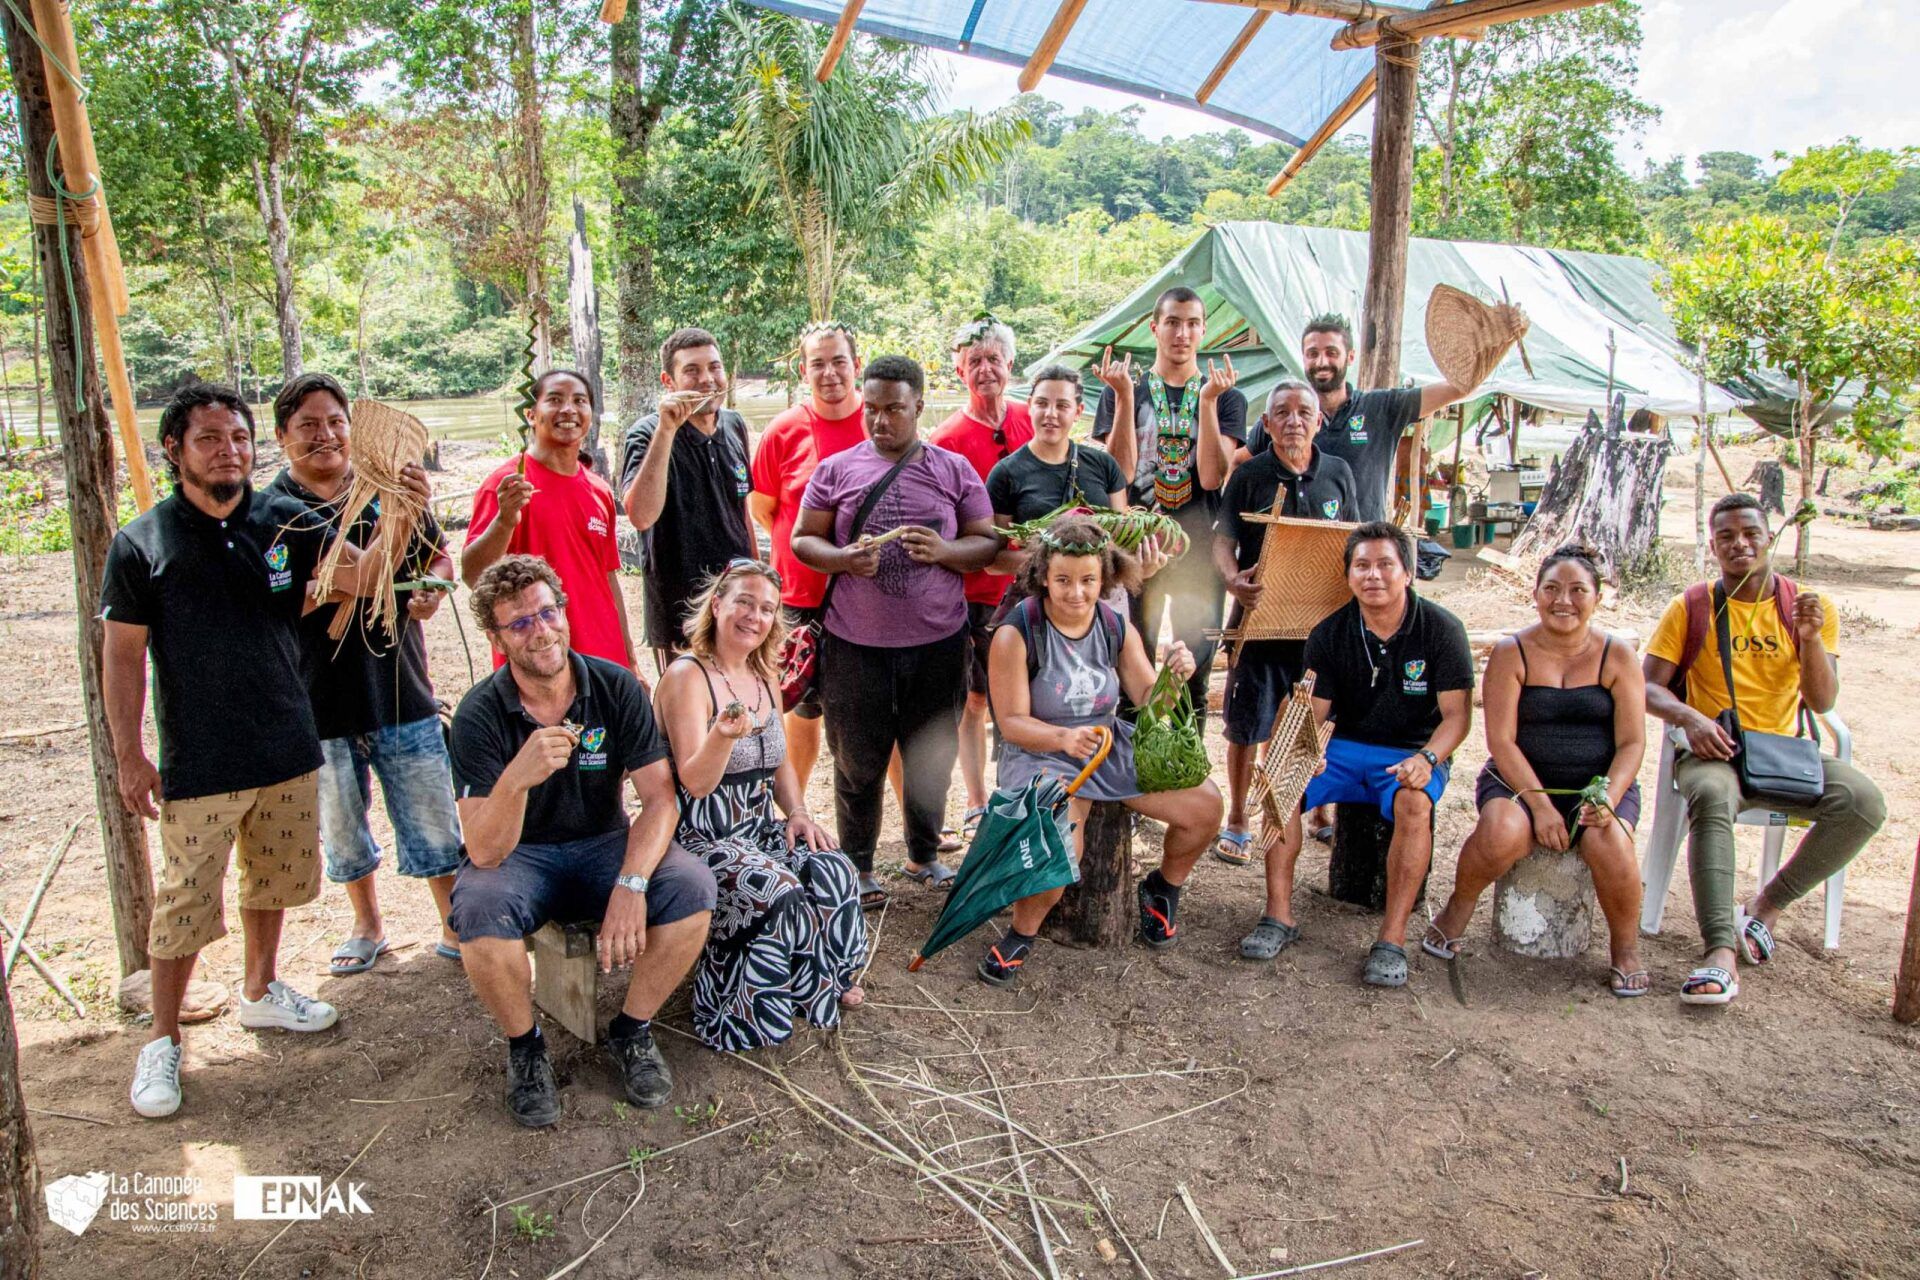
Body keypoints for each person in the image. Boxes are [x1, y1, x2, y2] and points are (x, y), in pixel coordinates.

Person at [103, 383, 424, 1119]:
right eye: (211, 439)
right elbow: (122, 657)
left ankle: (260, 990)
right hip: (200, 756)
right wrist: (130, 754)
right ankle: (162, 1041)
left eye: (239, 438)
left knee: (274, 880)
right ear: (175, 451)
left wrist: (401, 512)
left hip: (287, 740)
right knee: (184, 902)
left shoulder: (283, 522)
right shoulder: (144, 543)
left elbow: (351, 582)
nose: (230, 451)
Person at [447, 556, 716, 1127]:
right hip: (522, 856)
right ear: (496, 637)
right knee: (476, 907)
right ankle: (526, 1047)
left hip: (602, 844)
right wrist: (517, 776)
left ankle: (632, 1029)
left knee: (692, 886)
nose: (540, 630)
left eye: (548, 612)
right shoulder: (479, 713)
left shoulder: (614, 686)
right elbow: (485, 851)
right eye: (519, 623)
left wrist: (631, 882)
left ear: (565, 613)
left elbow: (661, 800)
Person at [1642, 493, 1885, 1006]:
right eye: (1726, 536)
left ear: (1768, 537)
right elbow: (1646, 687)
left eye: (1750, 533)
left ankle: (1768, 904)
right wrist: (1691, 718)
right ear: (1712, 546)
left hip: (1781, 756)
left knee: (1864, 803)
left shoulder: (1805, 605)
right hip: (1715, 752)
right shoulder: (1692, 606)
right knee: (1709, 794)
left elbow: (1822, 701)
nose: (1740, 545)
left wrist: (1812, 639)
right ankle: (1720, 952)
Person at [264, 373, 464, 975]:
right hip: (317, 696)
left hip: (402, 685)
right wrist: (391, 529)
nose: (325, 436)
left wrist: (433, 588)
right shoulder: (273, 513)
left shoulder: (387, 489)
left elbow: (437, 557)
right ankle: (368, 923)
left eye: (335, 423)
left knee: (432, 811)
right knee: (342, 824)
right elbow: (301, 592)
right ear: (282, 437)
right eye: (308, 426)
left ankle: (455, 920)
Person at [791, 355, 1000, 907]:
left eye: (895, 410)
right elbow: (802, 539)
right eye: (873, 410)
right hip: (855, 645)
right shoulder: (835, 470)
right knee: (857, 759)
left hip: (937, 643)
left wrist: (946, 550)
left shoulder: (952, 469)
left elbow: (988, 540)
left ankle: (923, 853)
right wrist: (841, 559)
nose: (881, 421)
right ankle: (857, 867)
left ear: (919, 408)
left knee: (931, 755)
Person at [981, 517, 1223, 986]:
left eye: (1089, 580)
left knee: (1206, 806)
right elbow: (1010, 724)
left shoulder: (1115, 624)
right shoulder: (1017, 632)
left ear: (1105, 577)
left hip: (1106, 744)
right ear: (1043, 577)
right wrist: (1062, 739)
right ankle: (1022, 931)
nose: (1077, 593)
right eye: (1064, 580)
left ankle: (1162, 889)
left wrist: (1176, 675)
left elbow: (1151, 701)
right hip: (1040, 751)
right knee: (1059, 854)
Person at [1243, 522, 1473, 986]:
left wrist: (1427, 760)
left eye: (1385, 564)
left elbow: (1457, 718)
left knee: (1414, 802)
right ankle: (1278, 916)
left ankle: (1391, 940)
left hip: (1412, 751)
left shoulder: (1442, 630)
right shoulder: (1330, 633)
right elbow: (1315, 711)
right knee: (1282, 785)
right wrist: (1309, 749)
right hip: (1343, 747)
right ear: (1348, 575)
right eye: (1362, 565)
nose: (1374, 576)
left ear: (1407, 572)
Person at [653, 560, 867, 1049]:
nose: (755, 615)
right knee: (779, 890)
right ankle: (743, 1010)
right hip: (701, 835)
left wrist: (797, 814)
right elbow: (695, 781)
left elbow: (781, 764)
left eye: (767, 608)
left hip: (756, 825)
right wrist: (722, 738)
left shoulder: (764, 675)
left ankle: (819, 982)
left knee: (832, 866)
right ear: (717, 604)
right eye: (744, 602)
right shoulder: (687, 676)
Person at [1424, 545, 1650, 997]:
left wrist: (1606, 797)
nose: (1563, 600)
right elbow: (1501, 742)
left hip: (1598, 784)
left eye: (1576, 590)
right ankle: (1457, 909)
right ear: (1535, 594)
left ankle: (1626, 948)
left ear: (1597, 598)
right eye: (1551, 588)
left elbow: (1632, 742)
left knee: (1611, 842)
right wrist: (1541, 807)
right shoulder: (1512, 652)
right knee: (1501, 831)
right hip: (1517, 781)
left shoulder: (1618, 655)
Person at [1210, 380, 1358, 868]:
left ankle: (1314, 810)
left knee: (1315, 722)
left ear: (1320, 421)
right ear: (1266, 424)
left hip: (1322, 629)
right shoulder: (1249, 475)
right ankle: (1237, 818)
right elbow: (1221, 543)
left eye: (1303, 412)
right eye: (1282, 412)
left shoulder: (1338, 473)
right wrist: (1234, 582)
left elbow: (1353, 544)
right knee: (1246, 723)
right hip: (1260, 622)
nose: (1293, 420)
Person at [1092, 286, 1245, 729]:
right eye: (1173, 322)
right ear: (1154, 327)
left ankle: (1185, 778)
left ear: (1203, 330)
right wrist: (1122, 399)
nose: (1182, 333)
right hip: (1137, 551)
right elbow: (1118, 471)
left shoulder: (1224, 394)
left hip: (1198, 553)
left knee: (1192, 674)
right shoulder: (1126, 390)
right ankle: (1129, 786)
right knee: (1129, 669)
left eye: (1193, 323)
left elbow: (1214, 477)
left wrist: (1209, 404)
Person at [928, 316, 1036, 846]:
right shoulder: (947, 439)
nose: (986, 369)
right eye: (975, 362)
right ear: (959, 370)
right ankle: (974, 802)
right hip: (974, 594)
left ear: (1010, 365)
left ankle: (1027, 796)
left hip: (1036, 591)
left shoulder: (1033, 419)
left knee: (1030, 699)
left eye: (994, 359)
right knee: (973, 700)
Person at [750, 321, 867, 789]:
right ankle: (790, 817)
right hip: (799, 597)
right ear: (803, 370)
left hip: (864, 597)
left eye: (839, 361)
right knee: (801, 709)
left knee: (872, 714)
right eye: (817, 363)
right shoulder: (782, 431)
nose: (830, 373)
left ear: (856, 365)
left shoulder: (877, 421)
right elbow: (765, 509)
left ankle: (913, 826)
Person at [464, 369, 639, 678]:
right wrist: (505, 520)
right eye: (555, 400)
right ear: (531, 414)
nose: (568, 409)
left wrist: (630, 661)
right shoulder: (507, 486)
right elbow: (474, 575)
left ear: (590, 414)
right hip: (538, 664)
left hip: (604, 662)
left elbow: (609, 580)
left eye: (579, 401)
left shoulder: (599, 490)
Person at [1243, 313, 1484, 524]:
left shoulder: (1381, 408)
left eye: (1331, 353)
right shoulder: (1281, 418)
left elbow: (1458, 387)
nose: (1321, 362)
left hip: (1364, 554)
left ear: (1350, 357)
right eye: (1312, 353)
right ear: (1303, 358)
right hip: (1296, 556)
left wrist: (1490, 345)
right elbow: (1237, 464)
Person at [620, 327, 757, 667]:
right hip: (680, 608)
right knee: (687, 713)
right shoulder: (647, 433)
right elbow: (640, 515)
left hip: (736, 599)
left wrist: (758, 577)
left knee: (741, 702)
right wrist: (667, 430)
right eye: (692, 371)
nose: (707, 379)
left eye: (714, 367)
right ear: (669, 381)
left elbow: (742, 510)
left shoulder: (734, 425)